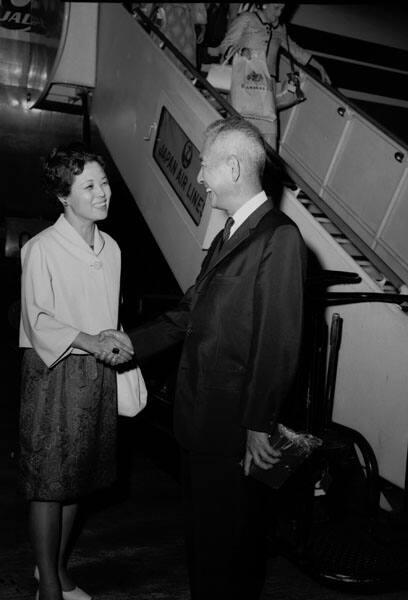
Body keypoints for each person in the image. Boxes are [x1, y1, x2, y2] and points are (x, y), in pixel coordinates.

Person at [105, 116, 307, 599]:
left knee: (228, 551)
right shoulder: (231, 233)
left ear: (233, 167)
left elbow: (279, 339)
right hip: (199, 420)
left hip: (234, 428)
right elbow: (188, 312)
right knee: (204, 542)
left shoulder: (279, 237)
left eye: (206, 165)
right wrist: (132, 343)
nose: (198, 177)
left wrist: (259, 422)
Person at [18, 144, 134, 600]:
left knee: (77, 480)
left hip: (96, 373)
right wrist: (91, 340)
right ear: (64, 196)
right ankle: (47, 582)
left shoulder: (113, 249)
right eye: (89, 185)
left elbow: (107, 312)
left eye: (104, 182)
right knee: (48, 483)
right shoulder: (41, 247)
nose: (103, 192)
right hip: (53, 372)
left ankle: (59, 569)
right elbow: (36, 319)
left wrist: (118, 340)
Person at [219, 3, 331, 148]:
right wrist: (241, 51)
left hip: (267, 89)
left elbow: (296, 50)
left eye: (282, 10)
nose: (279, 14)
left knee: (268, 140)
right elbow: (225, 45)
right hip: (244, 84)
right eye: (276, 8)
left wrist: (319, 66)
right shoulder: (247, 19)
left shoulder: (279, 29)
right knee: (237, 134)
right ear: (264, 4)